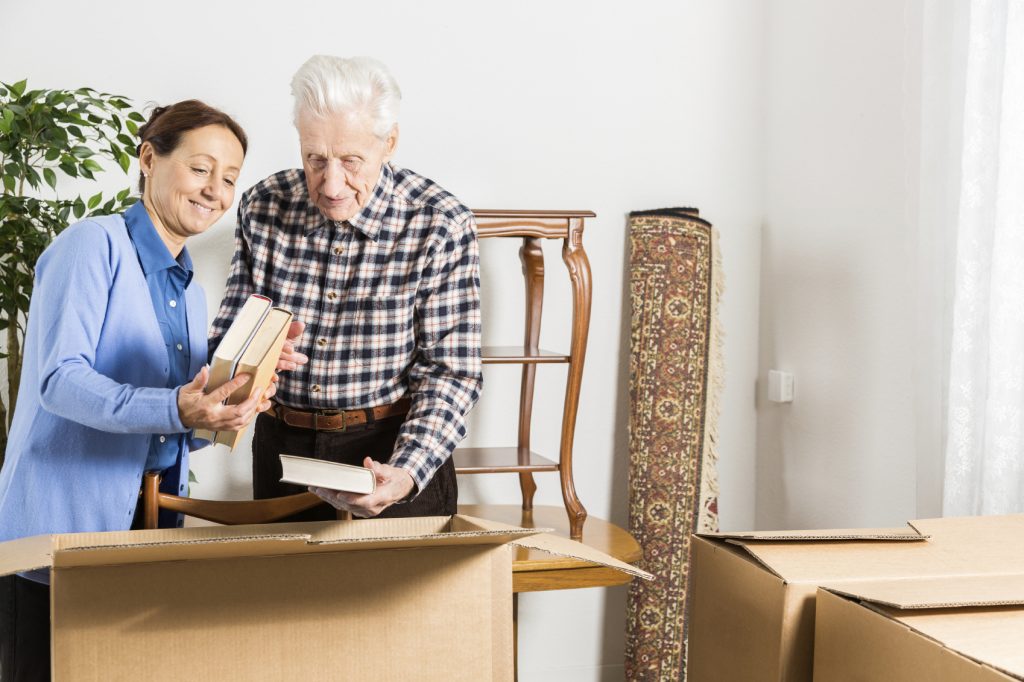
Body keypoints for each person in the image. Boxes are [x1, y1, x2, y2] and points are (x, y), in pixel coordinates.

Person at [0, 100, 265, 682]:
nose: (214, 191)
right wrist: (175, 406)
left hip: (147, 529)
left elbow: (173, 430)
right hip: (59, 531)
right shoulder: (91, 245)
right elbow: (58, 381)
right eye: (200, 169)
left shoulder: (189, 284)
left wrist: (231, 401)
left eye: (229, 179)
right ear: (149, 157)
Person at [210, 55, 482, 520]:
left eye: (350, 160)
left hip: (391, 449)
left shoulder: (440, 222)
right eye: (315, 159)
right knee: (287, 595)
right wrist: (257, 359)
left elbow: (451, 373)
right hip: (283, 451)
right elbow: (230, 334)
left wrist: (405, 471)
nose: (331, 185)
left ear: (389, 142)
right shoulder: (262, 205)